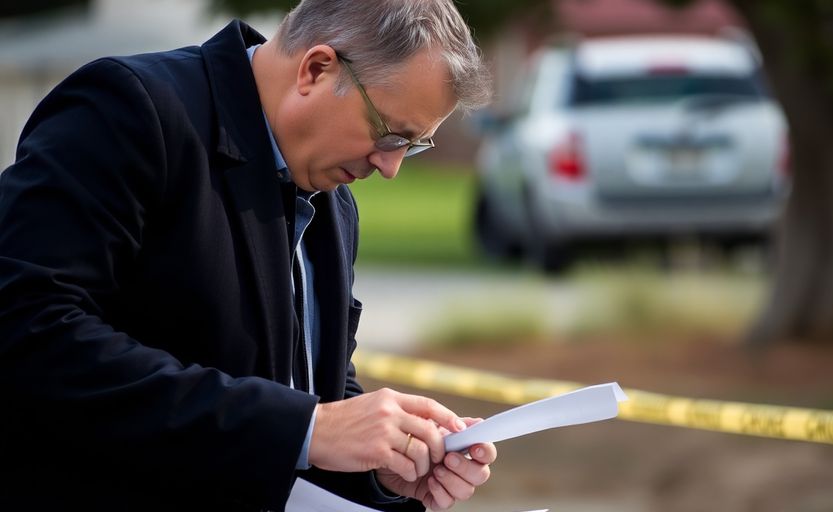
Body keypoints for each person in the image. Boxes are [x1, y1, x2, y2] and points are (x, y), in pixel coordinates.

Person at [0, 1, 495, 510]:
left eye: (412, 146)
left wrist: (383, 467)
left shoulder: (333, 203)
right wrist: (307, 428)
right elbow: (28, 327)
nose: (389, 167)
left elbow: (302, 390)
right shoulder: (131, 109)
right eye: (389, 134)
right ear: (316, 69)